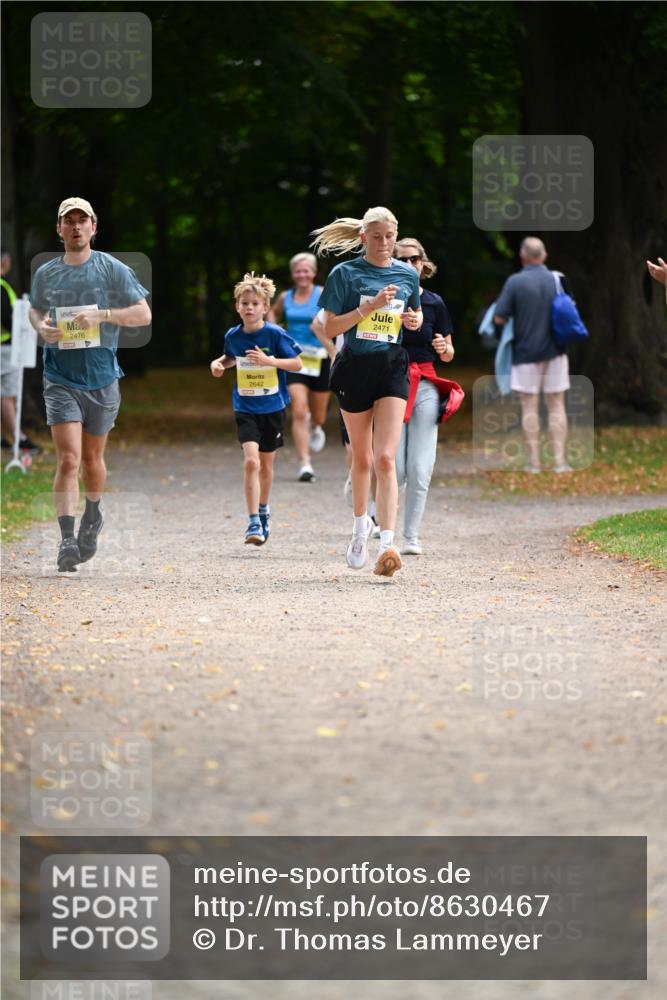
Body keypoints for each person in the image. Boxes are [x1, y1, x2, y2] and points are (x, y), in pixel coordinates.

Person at [29, 198, 151, 572]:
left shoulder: (113, 269)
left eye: (83, 221)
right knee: (68, 459)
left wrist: (103, 314)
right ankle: (66, 539)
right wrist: (41, 327)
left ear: (94, 228)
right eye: (70, 221)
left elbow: (143, 314)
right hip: (60, 377)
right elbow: (35, 309)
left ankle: (92, 515)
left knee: (92, 460)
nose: (77, 227)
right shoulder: (46, 273)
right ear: (60, 229)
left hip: (101, 377)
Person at [312, 206, 422, 578]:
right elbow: (329, 329)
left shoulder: (407, 274)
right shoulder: (345, 274)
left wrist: (413, 319)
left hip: (392, 365)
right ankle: (361, 527)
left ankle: (387, 543)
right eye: (376, 236)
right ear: (363, 237)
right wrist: (367, 308)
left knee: (386, 458)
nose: (384, 243)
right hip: (354, 367)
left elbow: (413, 315)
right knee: (362, 460)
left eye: (390, 236)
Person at [210, 273, 302, 544]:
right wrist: (218, 364)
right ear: (237, 306)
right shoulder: (233, 335)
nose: (249, 308)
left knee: (266, 464)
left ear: (265, 307)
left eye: (255, 303)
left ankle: (263, 510)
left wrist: (269, 361)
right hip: (245, 406)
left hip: (272, 406)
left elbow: (296, 364)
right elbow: (230, 358)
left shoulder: (274, 333)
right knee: (251, 461)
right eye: (244, 303)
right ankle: (252, 523)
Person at [393, 237, 460, 555]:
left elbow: (448, 352)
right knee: (396, 469)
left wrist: (445, 348)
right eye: (402, 259)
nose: (408, 265)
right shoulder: (385, 300)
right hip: (390, 383)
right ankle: (380, 524)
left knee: (420, 468)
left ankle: (410, 537)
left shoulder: (435, 302)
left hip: (426, 384)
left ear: (423, 263)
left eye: (414, 259)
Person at [493, 237, 573, 474]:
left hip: (525, 353)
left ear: (523, 257)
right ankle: (559, 462)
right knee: (556, 404)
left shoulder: (515, 282)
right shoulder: (558, 279)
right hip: (556, 351)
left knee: (529, 407)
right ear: (544, 255)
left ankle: (534, 463)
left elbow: (499, 317)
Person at [270, 252, 329, 482]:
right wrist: (277, 334)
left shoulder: (323, 294)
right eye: (298, 271)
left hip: (320, 358)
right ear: (293, 274)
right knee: (299, 409)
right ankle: (305, 463)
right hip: (295, 359)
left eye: (306, 270)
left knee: (319, 415)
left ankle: (316, 426)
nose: (302, 274)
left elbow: (336, 318)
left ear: (313, 273)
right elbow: (272, 313)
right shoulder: (286, 296)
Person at [1, 248, 40, 452]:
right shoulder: (1, 286)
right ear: (5, 262)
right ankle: (18, 437)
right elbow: (6, 317)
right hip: (5, 348)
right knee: (8, 395)